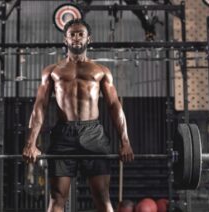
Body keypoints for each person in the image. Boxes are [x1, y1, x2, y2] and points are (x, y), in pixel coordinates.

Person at [22, 19, 134, 212]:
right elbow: (40, 106)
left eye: (80, 34)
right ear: (65, 39)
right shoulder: (52, 71)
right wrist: (31, 143)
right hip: (64, 133)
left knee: (102, 195)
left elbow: (114, 106)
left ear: (88, 39)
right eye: (72, 34)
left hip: (94, 134)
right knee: (57, 196)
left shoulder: (101, 71)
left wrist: (125, 141)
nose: (76, 38)